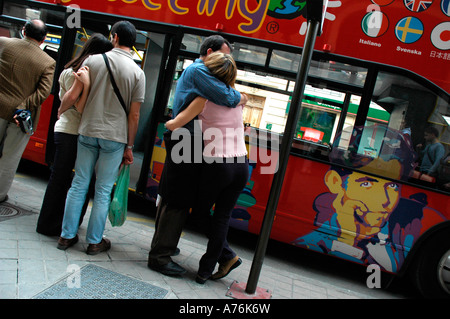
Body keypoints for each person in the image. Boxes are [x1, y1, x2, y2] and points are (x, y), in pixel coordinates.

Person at [147, 35, 248, 276]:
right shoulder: (199, 70)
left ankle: (165, 249)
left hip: (190, 140)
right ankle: (161, 256)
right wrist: (241, 97)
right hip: (186, 140)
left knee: (176, 195)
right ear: (209, 52)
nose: (225, 62)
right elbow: (228, 96)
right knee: (178, 198)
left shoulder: (201, 74)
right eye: (221, 56)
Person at [57, 21, 145, 255]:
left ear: (114, 37)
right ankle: (95, 241)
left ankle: (66, 236)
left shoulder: (92, 61)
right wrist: (129, 146)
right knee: (104, 189)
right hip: (115, 138)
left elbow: (77, 93)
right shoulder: (138, 72)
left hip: (87, 130)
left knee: (79, 184)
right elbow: (134, 115)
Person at [36, 34, 113, 236]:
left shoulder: (72, 70)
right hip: (71, 132)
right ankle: (50, 224)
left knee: (63, 179)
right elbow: (78, 106)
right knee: (64, 179)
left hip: (67, 130)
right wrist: (86, 86)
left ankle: (56, 224)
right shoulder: (78, 74)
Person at [0, 19, 55, 203]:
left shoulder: (4, 43)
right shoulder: (48, 62)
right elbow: (43, 92)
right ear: (44, 38)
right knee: (10, 158)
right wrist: (23, 106)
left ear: (23, 30)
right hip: (21, 117)